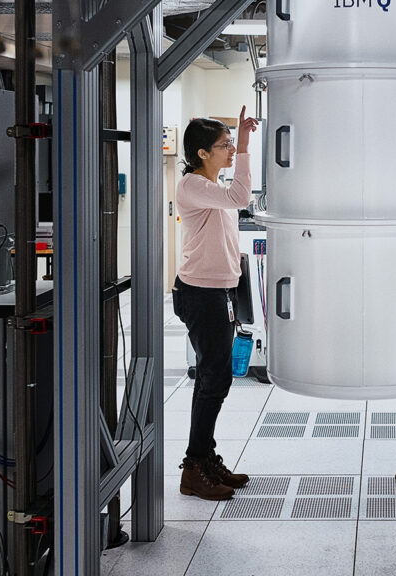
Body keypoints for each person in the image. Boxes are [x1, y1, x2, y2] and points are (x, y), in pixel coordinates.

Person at [171, 109, 259, 501]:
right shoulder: (193, 185)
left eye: (229, 145)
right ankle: (194, 466)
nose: (228, 151)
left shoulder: (210, 185)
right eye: (223, 146)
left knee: (214, 378)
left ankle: (203, 458)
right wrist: (244, 146)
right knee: (214, 379)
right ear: (203, 152)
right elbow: (241, 197)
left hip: (216, 291)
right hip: (200, 293)